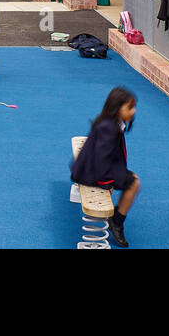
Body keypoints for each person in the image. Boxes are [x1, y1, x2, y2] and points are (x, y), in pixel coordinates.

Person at [71, 87, 140, 247]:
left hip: (94, 167)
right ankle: (117, 221)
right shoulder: (109, 127)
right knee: (134, 183)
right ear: (117, 108)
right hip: (92, 173)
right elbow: (101, 160)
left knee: (131, 178)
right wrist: (106, 184)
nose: (134, 111)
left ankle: (117, 218)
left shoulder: (112, 122)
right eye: (130, 108)